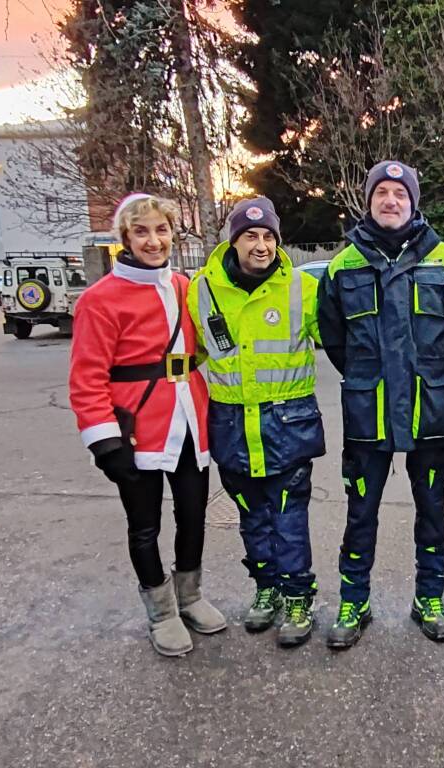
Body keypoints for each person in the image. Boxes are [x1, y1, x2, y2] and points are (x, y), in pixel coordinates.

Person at [317, 160, 444, 649]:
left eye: (399, 193)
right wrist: (368, 379)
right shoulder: (343, 266)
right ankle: (354, 600)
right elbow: (335, 339)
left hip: (432, 414)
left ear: (413, 201)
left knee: (432, 511)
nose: (391, 200)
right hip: (369, 415)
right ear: (369, 201)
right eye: (381, 192)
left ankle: (430, 597)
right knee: (360, 513)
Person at [68, 193, 225, 657]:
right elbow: (86, 377)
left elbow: (211, 346)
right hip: (136, 430)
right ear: (125, 239)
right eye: (142, 231)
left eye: (161, 230)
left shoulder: (185, 287)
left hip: (189, 421)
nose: (153, 241)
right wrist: (105, 442)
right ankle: (160, 611)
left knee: (193, 515)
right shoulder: (99, 300)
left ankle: (190, 595)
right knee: (144, 526)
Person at [187, 197, 325, 648]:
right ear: (234, 240)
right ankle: (266, 589)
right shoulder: (202, 289)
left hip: (288, 424)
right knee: (251, 516)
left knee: (288, 517)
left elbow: (339, 336)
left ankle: (298, 596)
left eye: (268, 236)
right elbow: (193, 352)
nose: (261, 245)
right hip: (231, 424)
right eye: (251, 236)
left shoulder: (301, 289)